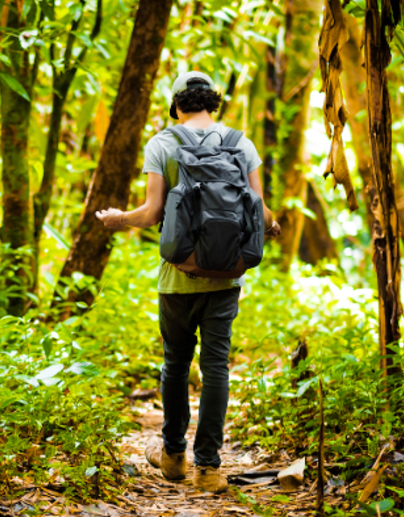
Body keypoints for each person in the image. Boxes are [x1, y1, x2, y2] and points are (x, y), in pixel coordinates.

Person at [96, 71, 281, 492]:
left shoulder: (163, 142)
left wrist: (115, 219)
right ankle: (209, 468)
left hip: (177, 276)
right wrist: (275, 226)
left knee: (175, 364)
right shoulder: (241, 143)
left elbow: (149, 213)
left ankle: (174, 455)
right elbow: (260, 209)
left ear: (176, 105)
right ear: (212, 103)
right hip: (226, 278)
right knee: (216, 367)